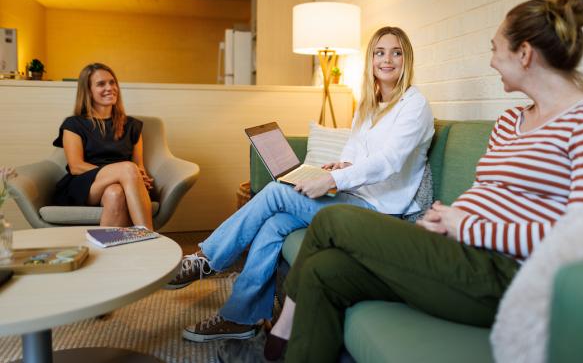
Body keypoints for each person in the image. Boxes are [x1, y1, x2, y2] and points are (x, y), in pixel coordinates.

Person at [268, 0, 583, 362]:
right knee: (324, 271)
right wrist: (444, 219)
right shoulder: (509, 122)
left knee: (333, 219)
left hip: (512, 277)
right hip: (459, 252)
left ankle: (281, 333)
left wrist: (466, 227)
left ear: (525, 53)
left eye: (495, 49)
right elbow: (488, 192)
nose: (491, 62)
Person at [167, 26, 435, 343]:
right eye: (380, 52)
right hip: (355, 196)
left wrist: (332, 180)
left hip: (383, 212)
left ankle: (207, 260)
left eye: (396, 52)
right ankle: (240, 318)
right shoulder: (370, 103)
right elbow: (355, 148)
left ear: (407, 59)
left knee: (276, 192)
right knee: (275, 224)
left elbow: (389, 161)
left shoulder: (414, 106)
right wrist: (342, 164)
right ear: (371, 59)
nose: (387, 59)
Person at [52, 63, 154, 229]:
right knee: (128, 168)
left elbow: (139, 166)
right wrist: (121, 172)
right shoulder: (73, 124)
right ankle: (150, 236)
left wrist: (140, 176)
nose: (110, 88)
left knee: (115, 193)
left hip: (124, 183)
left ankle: (109, 251)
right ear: (88, 90)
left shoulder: (132, 126)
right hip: (86, 185)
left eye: (112, 82)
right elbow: (76, 166)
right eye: (101, 84)